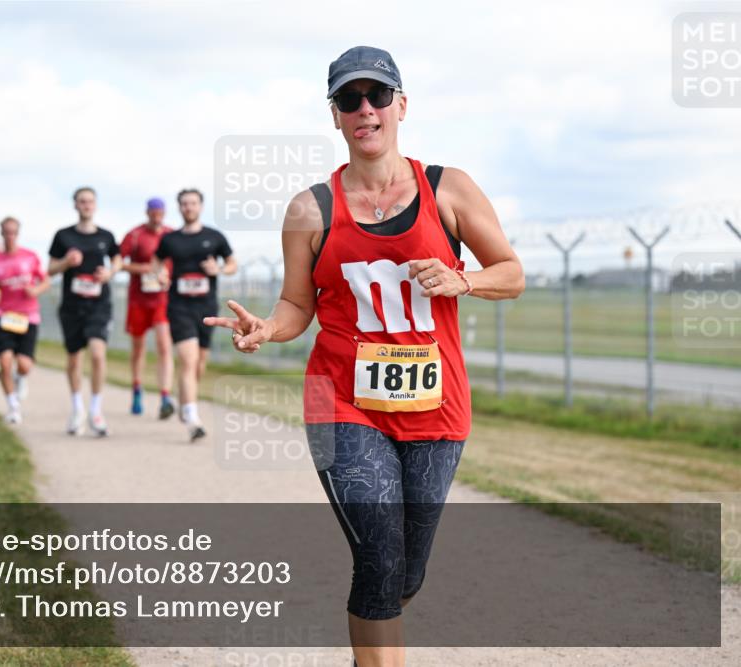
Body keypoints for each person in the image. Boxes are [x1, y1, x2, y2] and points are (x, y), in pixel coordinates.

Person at [204, 46, 524, 666]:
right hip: (342, 404)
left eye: (378, 96)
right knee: (378, 555)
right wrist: (267, 329)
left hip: (437, 406)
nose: (365, 109)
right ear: (335, 116)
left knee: (404, 573)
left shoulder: (448, 189)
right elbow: (298, 307)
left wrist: (464, 280)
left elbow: (510, 273)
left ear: (401, 106)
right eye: (349, 99)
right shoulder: (309, 210)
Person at [154, 188, 236, 441]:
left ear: (200, 206)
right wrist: (160, 274)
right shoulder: (170, 240)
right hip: (179, 307)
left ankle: (185, 403)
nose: (189, 207)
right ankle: (192, 419)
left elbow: (233, 264)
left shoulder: (214, 237)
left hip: (206, 308)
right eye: (184, 204)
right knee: (188, 361)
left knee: (199, 364)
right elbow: (156, 262)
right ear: (179, 208)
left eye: (193, 203)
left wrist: (219, 268)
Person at [48, 187, 121, 436]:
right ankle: (77, 407)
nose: (86, 205)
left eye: (90, 201)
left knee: (98, 354)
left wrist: (110, 272)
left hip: (99, 304)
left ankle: (96, 410)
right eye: (82, 201)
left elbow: (118, 259)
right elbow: (49, 269)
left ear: (96, 205)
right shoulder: (63, 236)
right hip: (72, 306)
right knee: (74, 359)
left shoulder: (107, 236)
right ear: (75, 205)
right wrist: (66, 263)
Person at [0, 217, 50, 425]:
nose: (10, 236)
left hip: (28, 316)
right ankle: (13, 407)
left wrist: (36, 290)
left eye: (13, 232)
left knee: (24, 365)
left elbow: (45, 280)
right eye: (6, 232)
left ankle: (21, 378)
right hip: (3, 316)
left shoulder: (30, 257)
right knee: (4, 361)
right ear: (1, 233)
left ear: (18, 233)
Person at [119, 197, 176, 418]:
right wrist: (142, 268)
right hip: (138, 300)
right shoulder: (134, 235)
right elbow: (118, 261)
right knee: (138, 348)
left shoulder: (171, 235)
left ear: (164, 213)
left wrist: (169, 277)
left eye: (160, 211)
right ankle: (136, 389)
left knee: (164, 346)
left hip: (162, 299)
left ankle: (164, 397)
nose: (156, 214)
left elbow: (179, 262)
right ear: (147, 212)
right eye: (153, 211)